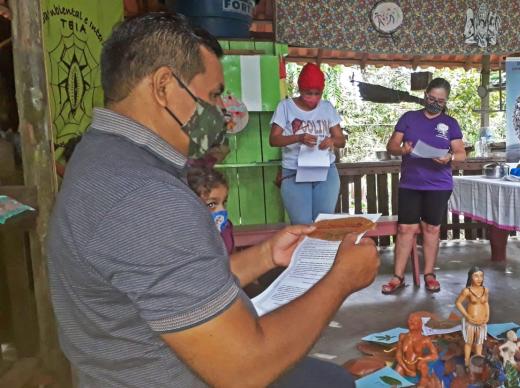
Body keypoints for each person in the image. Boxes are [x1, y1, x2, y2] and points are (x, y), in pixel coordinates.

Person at [46, 12, 379, 388]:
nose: (220, 111)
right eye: (213, 95)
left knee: (326, 377)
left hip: (121, 368)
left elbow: (171, 287)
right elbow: (245, 370)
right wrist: (342, 279)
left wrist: (265, 256)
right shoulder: (147, 197)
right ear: (164, 87)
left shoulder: (98, 156)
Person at [382, 77, 466, 294]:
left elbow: (461, 154)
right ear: (425, 95)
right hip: (411, 182)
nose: (435, 103)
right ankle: (398, 276)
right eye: (431, 98)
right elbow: (391, 145)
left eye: (441, 100)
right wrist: (403, 150)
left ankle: (429, 274)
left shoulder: (451, 124)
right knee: (405, 229)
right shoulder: (409, 118)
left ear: (446, 101)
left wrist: (449, 157)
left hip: (438, 185)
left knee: (431, 229)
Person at [269, 63, 346, 224]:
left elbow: (341, 140)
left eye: (317, 93)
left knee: (323, 224)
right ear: (300, 89)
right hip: (294, 171)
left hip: (325, 170)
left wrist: (332, 140)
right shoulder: (285, 107)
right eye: (308, 93)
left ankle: (321, 250)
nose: (313, 98)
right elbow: (274, 139)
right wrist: (298, 137)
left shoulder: (326, 108)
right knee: (302, 226)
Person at [187, 166, 235, 255]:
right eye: (211, 204)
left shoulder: (226, 231)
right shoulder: (183, 240)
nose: (222, 210)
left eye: (224, 202)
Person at [455, 266, 489, 365]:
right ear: (470, 277)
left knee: (479, 342)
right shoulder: (467, 291)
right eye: (476, 276)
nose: (479, 279)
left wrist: (487, 316)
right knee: (469, 342)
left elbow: (486, 303)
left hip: (481, 322)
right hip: (471, 322)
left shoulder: (485, 290)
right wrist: (467, 316)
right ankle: (467, 362)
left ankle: (478, 360)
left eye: (481, 276)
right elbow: (458, 303)